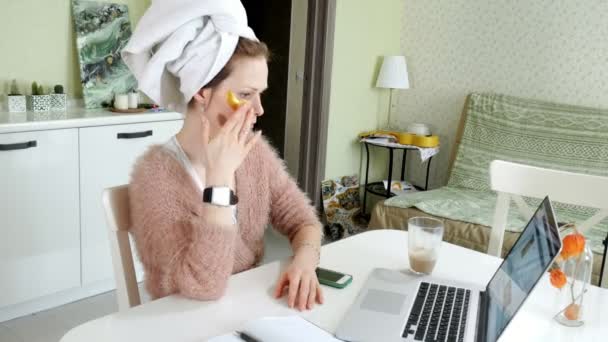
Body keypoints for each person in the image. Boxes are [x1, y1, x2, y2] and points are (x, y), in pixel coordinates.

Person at [122, 0, 324, 311]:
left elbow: (303, 221)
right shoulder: (155, 177)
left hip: (247, 309)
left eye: (260, 94)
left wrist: (305, 263)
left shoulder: (254, 154)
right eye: (245, 94)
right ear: (201, 91)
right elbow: (203, 288)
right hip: (186, 322)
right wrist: (219, 181)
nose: (259, 110)